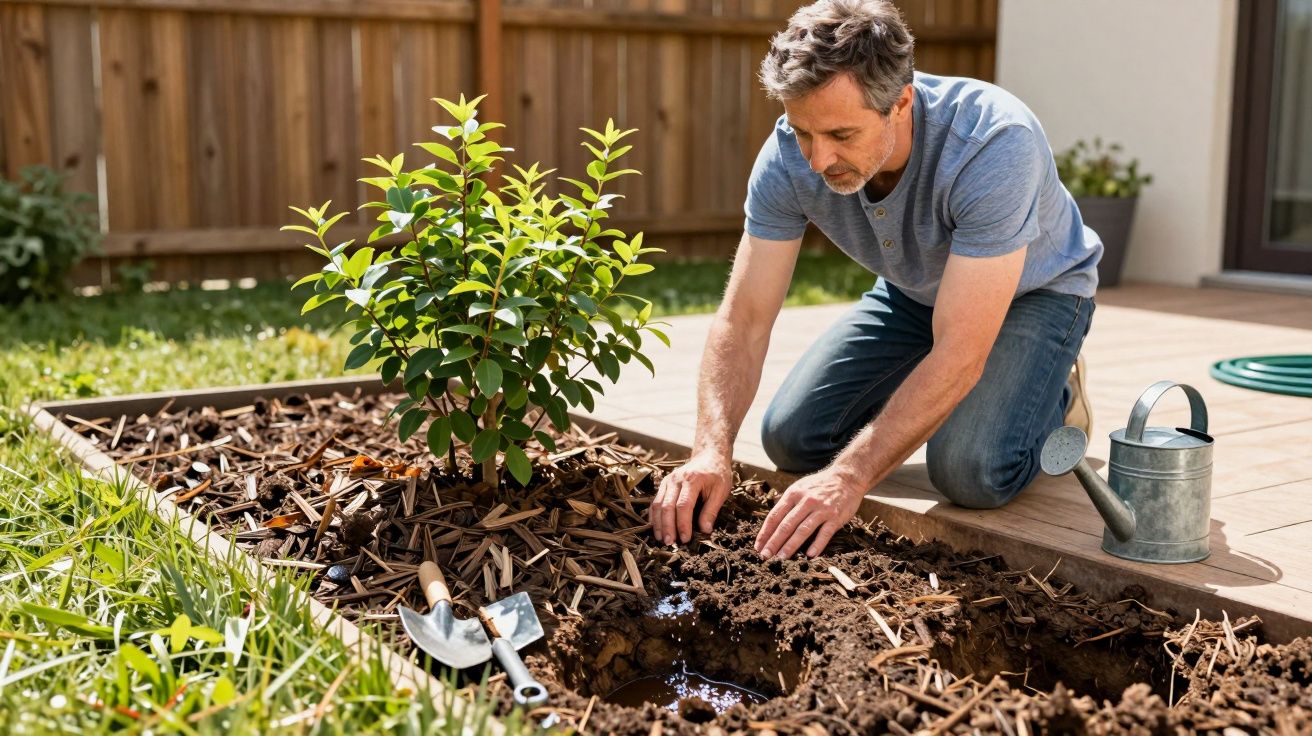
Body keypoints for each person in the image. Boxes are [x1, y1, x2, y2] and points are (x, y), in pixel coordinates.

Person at [648, 0, 1099, 561]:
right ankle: (964, 393)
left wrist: (850, 478)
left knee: (970, 472)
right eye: (803, 132)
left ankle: (1054, 395)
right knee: (792, 439)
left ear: (901, 102)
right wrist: (710, 452)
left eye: (840, 134)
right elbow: (743, 319)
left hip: (1037, 297)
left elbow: (959, 349)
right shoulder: (789, 155)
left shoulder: (993, 142)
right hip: (915, 294)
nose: (817, 159)